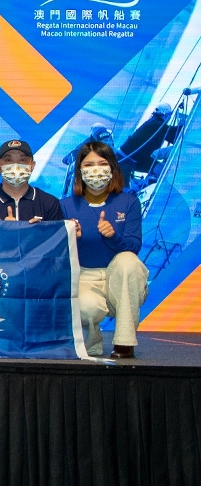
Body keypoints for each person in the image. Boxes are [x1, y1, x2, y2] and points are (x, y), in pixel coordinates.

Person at [60, 141, 147, 359]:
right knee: (85, 308)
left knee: (127, 260)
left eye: (102, 163)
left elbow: (134, 246)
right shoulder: (66, 205)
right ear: (80, 171)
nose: (95, 170)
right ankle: (91, 343)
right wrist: (72, 239)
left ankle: (124, 342)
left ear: (112, 168)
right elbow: (60, 254)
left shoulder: (129, 202)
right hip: (84, 276)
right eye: (89, 165)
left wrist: (113, 236)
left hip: (120, 276)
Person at [0, 139, 63, 222]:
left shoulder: (49, 203)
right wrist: (2, 228)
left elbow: (58, 230)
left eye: (22, 160)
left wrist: (38, 229)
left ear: (32, 166)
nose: (16, 166)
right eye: (8, 160)